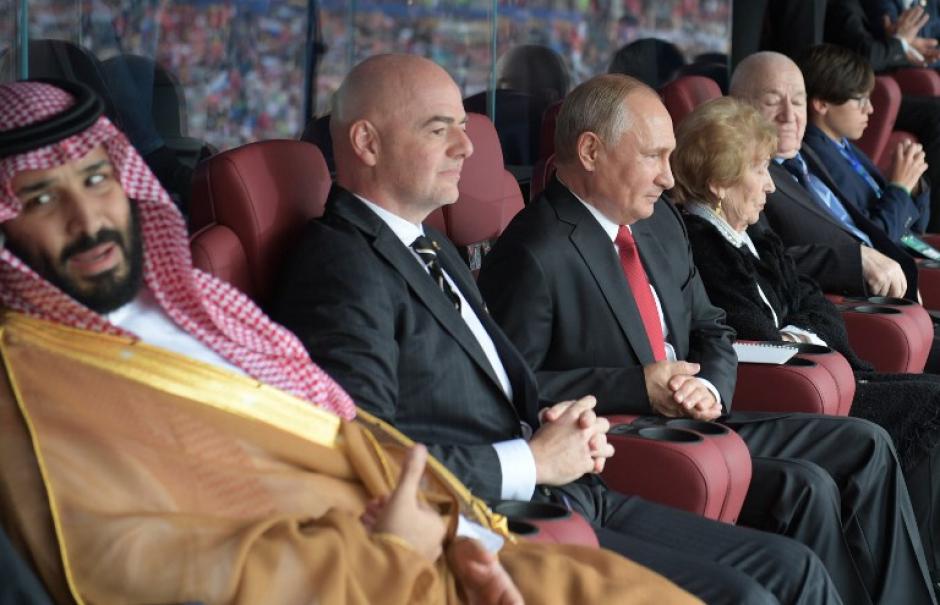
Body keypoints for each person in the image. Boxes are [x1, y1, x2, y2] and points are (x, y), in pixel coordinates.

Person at [0, 79, 704, 605]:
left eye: (96, 178)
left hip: (447, 530)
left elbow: (340, 430)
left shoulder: (194, 301)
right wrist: (401, 546)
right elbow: (164, 562)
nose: (88, 216)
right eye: (39, 198)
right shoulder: (37, 390)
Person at [273, 53, 842, 605]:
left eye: (462, 127)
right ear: (368, 143)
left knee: (794, 568)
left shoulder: (431, 247)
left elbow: (500, 378)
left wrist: (557, 421)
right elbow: (367, 454)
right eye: (439, 129)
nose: (467, 146)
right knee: (749, 593)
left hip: (572, 485)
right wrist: (533, 458)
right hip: (497, 517)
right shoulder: (342, 266)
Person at [476, 72, 936, 604]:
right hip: (627, 435)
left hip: (700, 410)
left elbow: (711, 326)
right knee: (805, 486)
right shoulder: (534, 249)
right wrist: (637, 386)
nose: (670, 180)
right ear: (591, 151)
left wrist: (712, 388)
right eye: (653, 157)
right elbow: (515, 390)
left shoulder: (658, 225)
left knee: (865, 443)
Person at [671, 94, 940, 584]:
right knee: (932, 404)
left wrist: (805, 331)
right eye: (758, 170)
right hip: (798, 395)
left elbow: (812, 302)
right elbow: (755, 334)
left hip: (833, 375)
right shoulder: (702, 244)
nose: (771, 186)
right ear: (717, 183)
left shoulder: (751, 231)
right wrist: (803, 332)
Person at [730, 51, 918, 300]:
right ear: (739, 108)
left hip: (895, 285)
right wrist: (855, 260)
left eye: (797, 102)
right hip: (849, 302)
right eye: (772, 102)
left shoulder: (806, 152)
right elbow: (759, 262)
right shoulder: (741, 178)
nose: (789, 116)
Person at [799, 43, 932, 252]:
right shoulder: (817, 158)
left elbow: (915, 229)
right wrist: (899, 188)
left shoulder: (842, 145)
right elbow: (875, 243)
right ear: (822, 104)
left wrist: (912, 186)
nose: (869, 109)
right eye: (860, 100)